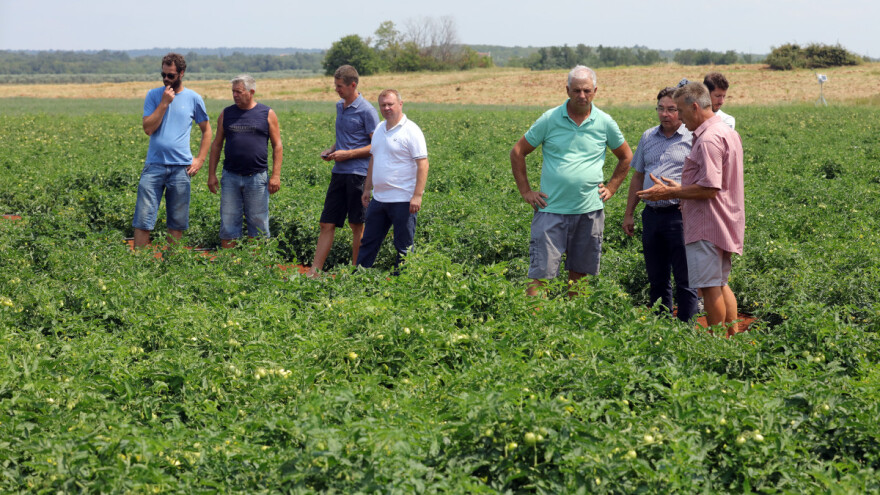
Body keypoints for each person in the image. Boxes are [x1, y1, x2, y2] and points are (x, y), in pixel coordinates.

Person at [510, 65, 633, 296]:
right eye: (576, 90)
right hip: (551, 210)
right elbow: (518, 151)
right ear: (567, 90)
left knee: (579, 277)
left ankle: (575, 323)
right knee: (540, 276)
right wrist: (526, 191)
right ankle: (533, 328)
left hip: (589, 211)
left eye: (587, 90)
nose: (582, 96)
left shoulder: (604, 122)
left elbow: (626, 156)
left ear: (595, 90)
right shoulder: (550, 119)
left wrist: (612, 187)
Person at [637, 82, 744, 336]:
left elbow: (709, 188)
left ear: (695, 107)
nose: (682, 121)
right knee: (720, 282)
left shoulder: (708, 139)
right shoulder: (725, 131)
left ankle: (716, 342)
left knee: (708, 287)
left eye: (682, 113)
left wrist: (671, 191)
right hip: (724, 220)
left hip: (707, 222)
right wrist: (682, 186)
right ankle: (731, 337)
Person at [622, 87, 698, 322]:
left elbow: (701, 179)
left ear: (681, 110)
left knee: (686, 279)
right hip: (652, 215)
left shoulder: (692, 138)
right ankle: (662, 328)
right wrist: (629, 213)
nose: (665, 114)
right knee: (657, 277)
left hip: (679, 214)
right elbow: (637, 176)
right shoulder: (648, 137)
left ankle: (686, 329)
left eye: (672, 109)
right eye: (661, 109)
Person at [306, 65, 380, 277]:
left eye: (339, 86)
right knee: (326, 222)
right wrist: (332, 149)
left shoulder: (367, 111)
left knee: (357, 224)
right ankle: (314, 271)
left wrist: (347, 154)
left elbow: (375, 146)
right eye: (335, 85)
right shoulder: (340, 106)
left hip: (358, 175)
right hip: (339, 173)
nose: (336, 90)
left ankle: (356, 273)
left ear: (353, 85)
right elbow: (344, 139)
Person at [133, 53, 211, 248]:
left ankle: (172, 265)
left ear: (182, 74)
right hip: (154, 166)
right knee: (143, 217)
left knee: (177, 221)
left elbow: (207, 130)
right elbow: (148, 128)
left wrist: (200, 160)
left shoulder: (193, 98)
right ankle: (137, 264)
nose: (166, 79)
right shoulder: (154, 95)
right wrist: (164, 103)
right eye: (164, 75)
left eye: (171, 75)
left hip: (180, 169)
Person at [207, 74, 283, 248]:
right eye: (233, 92)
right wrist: (211, 174)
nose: (235, 95)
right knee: (228, 221)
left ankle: (257, 268)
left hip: (257, 177)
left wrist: (275, 175)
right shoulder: (226, 114)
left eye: (239, 92)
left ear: (251, 92)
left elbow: (277, 145)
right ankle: (229, 264)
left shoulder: (267, 113)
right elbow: (217, 145)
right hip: (230, 177)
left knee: (259, 223)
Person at [357, 89, 429, 269]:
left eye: (390, 104)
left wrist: (417, 195)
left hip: (403, 200)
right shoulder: (380, 128)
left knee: (404, 248)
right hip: (379, 199)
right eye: (383, 105)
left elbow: (423, 163)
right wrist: (367, 189)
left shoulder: (411, 130)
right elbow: (374, 158)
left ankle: (402, 288)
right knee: (367, 243)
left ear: (400, 104)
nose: (387, 108)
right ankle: (358, 281)